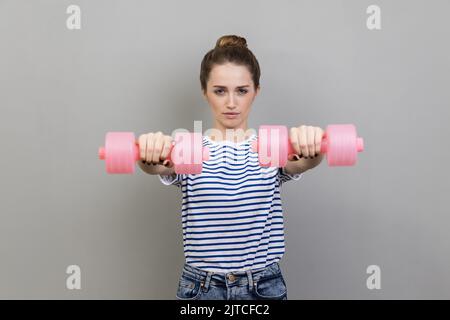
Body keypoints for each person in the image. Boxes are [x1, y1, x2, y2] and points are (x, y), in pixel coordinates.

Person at [137, 35, 324, 300]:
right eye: (220, 90)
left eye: (242, 90)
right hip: (201, 289)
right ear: (205, 91)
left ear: (256, 91)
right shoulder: (188, 148)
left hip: (262, 287)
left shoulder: (270, 148)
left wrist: (313, 145)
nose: (232, 103)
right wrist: (149, 152)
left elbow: (305, 161)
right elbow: (156, 168)